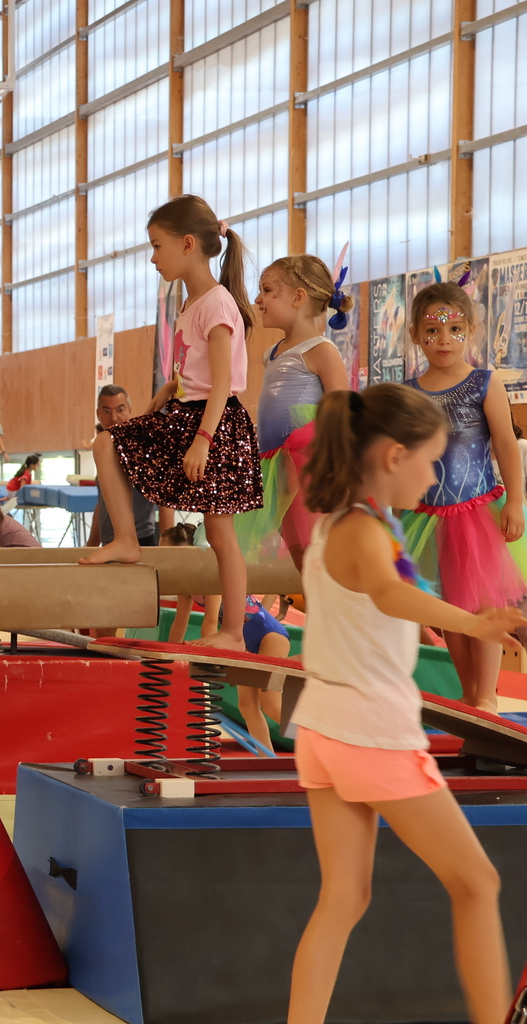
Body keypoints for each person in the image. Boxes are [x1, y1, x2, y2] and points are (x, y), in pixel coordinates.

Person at [285, 384, 521, 1024]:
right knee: (477, 883)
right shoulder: (362, 530)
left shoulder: (341, 521)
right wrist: (473, 623)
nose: (435, 476)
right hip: (371, 734)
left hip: (324, 731)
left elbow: (381, 600)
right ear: (393, 456)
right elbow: (390, 594)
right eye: (431, 460)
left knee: (343, 897)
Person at [81, 194, 263, 652]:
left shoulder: (217, 303)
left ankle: (233, 631)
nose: (153, 257)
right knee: (106, 444)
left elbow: (222, 383)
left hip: (213, 423)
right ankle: (127, 539)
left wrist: (203, 440)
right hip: (185, 413)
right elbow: (197, 370)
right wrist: (169, 388)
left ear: (187, 244)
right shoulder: (191, 301)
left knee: (219, 534)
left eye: (157, 246)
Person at [400, 282, 527, 712]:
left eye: (455, 329)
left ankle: (487, 692)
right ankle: (469, 690)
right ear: (415, 335)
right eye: (432, 331)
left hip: (478, 510)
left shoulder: (483, 383)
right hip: (428, 515)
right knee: (448, 606)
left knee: (484, 602)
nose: (444, 340)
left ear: (470, 330)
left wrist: (515, 501)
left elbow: (505, 443)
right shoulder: (409, 392)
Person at [234, 255, 352, 569]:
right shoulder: (271, 354)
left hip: (307, 464)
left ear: (298, 297)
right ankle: (315, 601)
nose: (257, 300)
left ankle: (331, 599)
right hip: (275, 466)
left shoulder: (321, 350)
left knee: (318, 550)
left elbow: (342, 412)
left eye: (267, 291)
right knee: (299, 551)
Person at [164, 523, 287, 755]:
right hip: (245, 643)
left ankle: (322, 741)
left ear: (189, 552)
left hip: (268, 635)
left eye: (168, 553)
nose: (165, 561)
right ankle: (267, 758)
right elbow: (179, 623)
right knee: (247, 706)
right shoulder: (185, 584)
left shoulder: (211, 576)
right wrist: (169, 656)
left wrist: (209, 661)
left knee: (271, 704)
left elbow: (211, 622)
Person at [85, 386, 169, 549]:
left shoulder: (144, 449)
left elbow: (164, 502)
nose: (114, 417)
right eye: (107, 411)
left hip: (141, 541)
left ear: (129, 410)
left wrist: (168, 548)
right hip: (109, 542)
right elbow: (103, 504)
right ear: (98, 414)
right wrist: (91, 545)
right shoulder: (104, 452)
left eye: (120, 410)